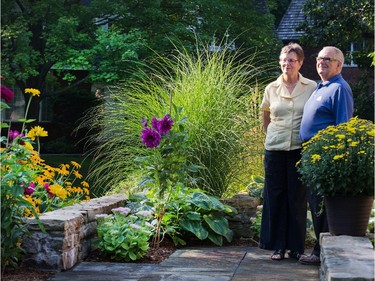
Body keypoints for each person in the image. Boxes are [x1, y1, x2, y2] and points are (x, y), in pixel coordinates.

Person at [259, 43, 317, 261]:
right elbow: (265, 116)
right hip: (274, 149)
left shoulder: (311, 87)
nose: (286, 63)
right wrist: (271, 135)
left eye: (291, 60)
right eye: (283, 59)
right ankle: (278, 246)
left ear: (300, 62)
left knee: (297, 197)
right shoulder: (271, 88)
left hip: (299, 150)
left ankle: (296, 247)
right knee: (275, 197)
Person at [298, 46, 354, 265]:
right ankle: (319, 251)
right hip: (311, 154)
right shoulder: (321, 86)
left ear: (339, 65)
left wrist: (335, 157)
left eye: (327, 59)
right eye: (319, 58)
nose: (321, 62)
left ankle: (320, 253)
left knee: (322, 205)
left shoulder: (340, 88)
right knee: (315, 203)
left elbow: (342, 127)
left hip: (324, 157)